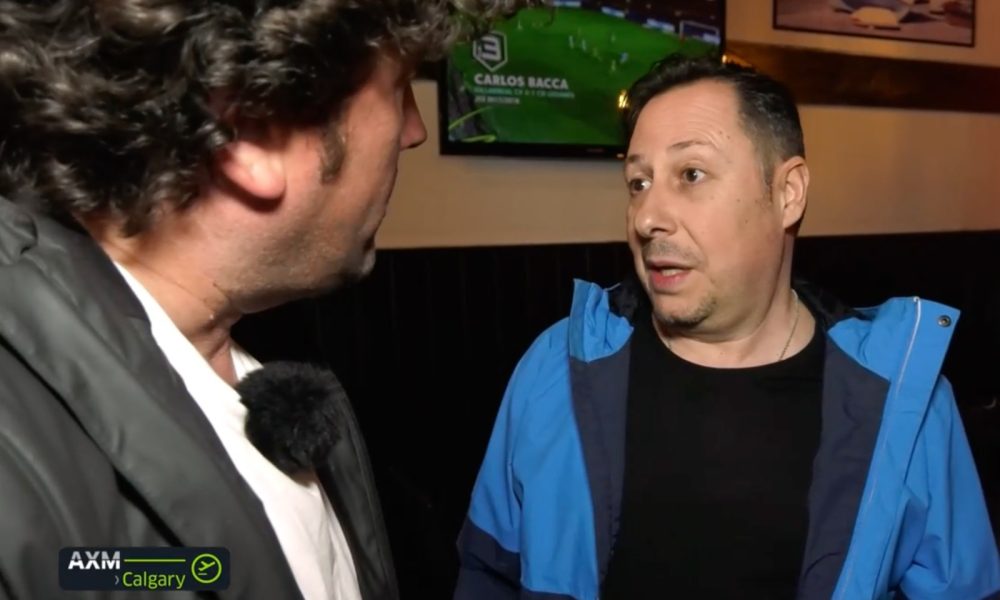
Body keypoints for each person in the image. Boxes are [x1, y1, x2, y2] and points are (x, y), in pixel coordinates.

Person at [0, 1, 528, 599]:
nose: (414, 131)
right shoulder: (19, 475)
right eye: (399, 87)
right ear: (251, 130)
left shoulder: (276, 351)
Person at [455, 55, 1000, 599]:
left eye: (690, 174)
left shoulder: (904, 402)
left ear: (787, 193)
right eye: (638, 182)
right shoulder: (556, 367)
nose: (647, 217)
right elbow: (488, 572)